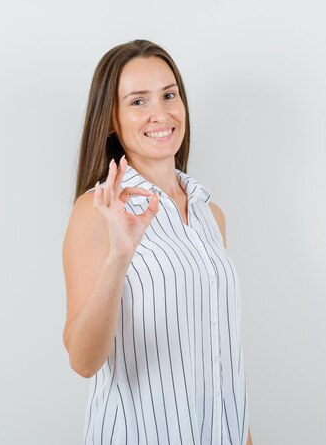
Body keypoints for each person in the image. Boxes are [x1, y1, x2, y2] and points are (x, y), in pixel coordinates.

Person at [62, 39, 253, 445]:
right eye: (137, 102)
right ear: (111, 119)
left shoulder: (210, 214)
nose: (160, 113)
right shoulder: (96, 210)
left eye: (169, 95)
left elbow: (223, 359)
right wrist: (119, 255)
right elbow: (82, 360)